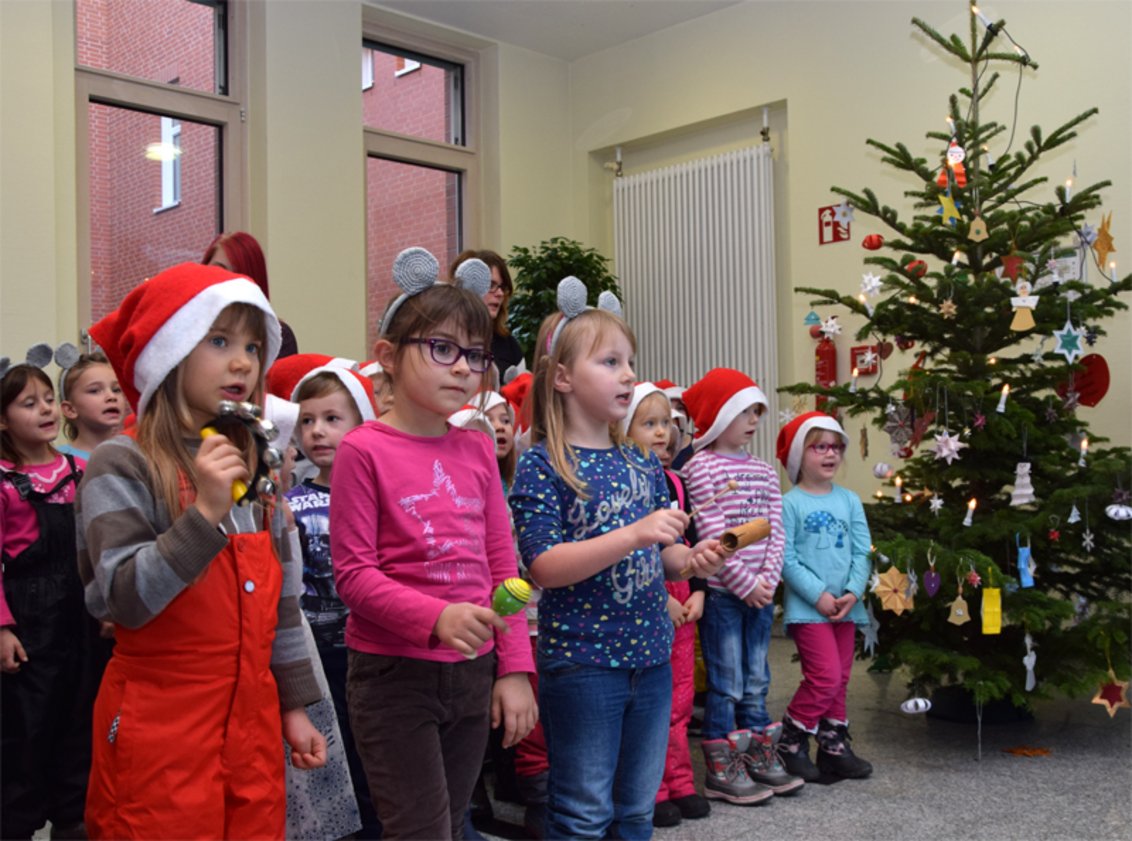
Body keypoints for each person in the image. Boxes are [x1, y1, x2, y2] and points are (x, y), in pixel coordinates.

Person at [77, 262, 327, 839]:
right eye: (218, 340)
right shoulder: (124, 464)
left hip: (251, 727)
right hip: (158, 732)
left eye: (250, 345)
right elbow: (123, 600)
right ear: (169, 353)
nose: (242, 360)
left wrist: (292, 706)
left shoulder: (257, 470)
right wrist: (205, 514)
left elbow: (281, 608)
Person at [330, 248, 537, 840]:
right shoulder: (363, 450)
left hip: (473, 671)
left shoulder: (475, 448)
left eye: (475, 355)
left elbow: (507, 569)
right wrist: (436, 616)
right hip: (395, 676)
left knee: (450, 821)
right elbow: (355, 576)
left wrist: (515, 668)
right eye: (442, 349)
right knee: (420, 830)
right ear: (389, 358)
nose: (462, 369)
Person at [508, 277, 725, 840]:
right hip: (584, 666)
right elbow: (545, 566)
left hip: (651, 660)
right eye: (610, 361)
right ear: (562, 377)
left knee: (635, 811)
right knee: (582, 814)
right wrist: (634, 534)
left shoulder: (642, 463)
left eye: (630, 361)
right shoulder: (542, 464)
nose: (629, 374)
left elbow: (667, 556)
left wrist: (691, 559)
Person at [269, 356, 381, 839]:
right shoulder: (292, 503)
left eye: (333, 419)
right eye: (308, 421)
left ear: (362, 421)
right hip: (316, 654)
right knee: (331, 754)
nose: (317, 432)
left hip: (371, 649)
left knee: (374, 753)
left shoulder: (379, 496)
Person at [680, 367, 802, 804]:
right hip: (725, 596)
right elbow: (711, 534)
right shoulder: (699, 469)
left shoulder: (765, 472)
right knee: (727, 679)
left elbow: (776, 531)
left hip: (760, 595)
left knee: (757, 678)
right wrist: (745, 584)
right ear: (717, 415)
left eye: (756, 412)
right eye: (744, 412)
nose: (753, 421)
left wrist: (767, 581)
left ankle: (757, 755)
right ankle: (720, 762)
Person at [1, 363, 94, 840]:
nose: (44, 409)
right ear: (2, 418)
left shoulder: (80, 469)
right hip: (29, 622)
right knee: (27, 732)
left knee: (80, 723)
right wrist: (2, 627)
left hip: (82, 619)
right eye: (27, 402)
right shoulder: (2, 481)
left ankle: (73, 821)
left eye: (47, 399)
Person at [621, 382, 711, 829]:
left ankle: (681, 781)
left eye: (667, 425)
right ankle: (652, 789)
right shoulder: (622, 485)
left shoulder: (673, 479)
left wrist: (698, 588)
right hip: (650, 603)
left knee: (680, 699)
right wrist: (662, 602)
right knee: (651, 709)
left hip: (682, 601)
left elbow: (684, 543)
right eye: (649, 424)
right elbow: (632, 555)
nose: (662, 434)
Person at [775, 412, 873, 781]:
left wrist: (852, 592)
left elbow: (864, 551)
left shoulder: (849, 500)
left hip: (846, 607)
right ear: (801, 454)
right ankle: (791, 741)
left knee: (841, 678)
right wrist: (818, 595)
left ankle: (833, 747)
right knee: (825, 677)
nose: (831, 454)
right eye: (820, 447)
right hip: (809, 609)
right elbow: (786, 559)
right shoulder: (791, 504)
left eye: (836, 447)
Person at [204, 231, 299, 358]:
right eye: (217, 271)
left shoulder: (278, 338)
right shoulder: (187, 328)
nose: (224, 281)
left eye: (251, 348)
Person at [450, 250, 524, 381]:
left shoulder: (509, 345)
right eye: (491, 285)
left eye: (502, 287)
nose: (500, 293)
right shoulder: (444, 338)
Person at [57, 351, 125, 460]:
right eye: (95, 391)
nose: (112, 396)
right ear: (70, 409)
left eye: (116, 389)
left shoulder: (134, 455)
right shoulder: (60, 461)